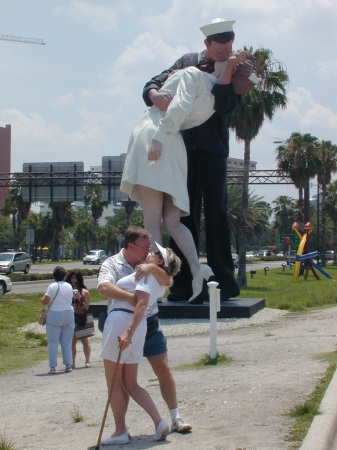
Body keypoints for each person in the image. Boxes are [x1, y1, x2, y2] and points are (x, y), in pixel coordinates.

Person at [122, 50, 252, 303]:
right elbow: (153, 83)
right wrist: (155, 94)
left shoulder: (206, 80)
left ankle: (160, 281)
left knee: (161, 221)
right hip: (179, 146)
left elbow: (186, 106)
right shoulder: (192, 68)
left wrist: (158, 136)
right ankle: (188, 273)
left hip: (171, 139)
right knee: (176, 220)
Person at [98, 226, 192, 435]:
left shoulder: (149, 265)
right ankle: (122, 427)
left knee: (163, 370)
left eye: (151, 248)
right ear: (131, 246)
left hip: (146, 324)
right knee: (124, 382)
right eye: (146, 247)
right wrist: (134, 298)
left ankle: (175, 417)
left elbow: (168, 279)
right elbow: (104, 287)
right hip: (128, 323)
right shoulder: (112, 263)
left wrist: (151, 269)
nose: (149, 250)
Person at [42, 266, 74, 374]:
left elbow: (45, 301)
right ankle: (68, 364)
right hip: (68, 312)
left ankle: (52, 366)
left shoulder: (52, 286)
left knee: (53, 341)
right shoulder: (69, 286)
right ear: (64, 276)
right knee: (67, 341)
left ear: (54, 276)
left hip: (55, 313)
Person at [65, 270, 95, 369]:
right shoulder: (66, 290)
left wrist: (79, 299)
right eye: (72, 278)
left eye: (76, 278)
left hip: (81, 317)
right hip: (70, 317)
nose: (74, 280)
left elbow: (86, 307)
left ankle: (87, 360)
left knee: (84, 340)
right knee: (72, 342)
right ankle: (72, 362)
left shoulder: (84, 292)